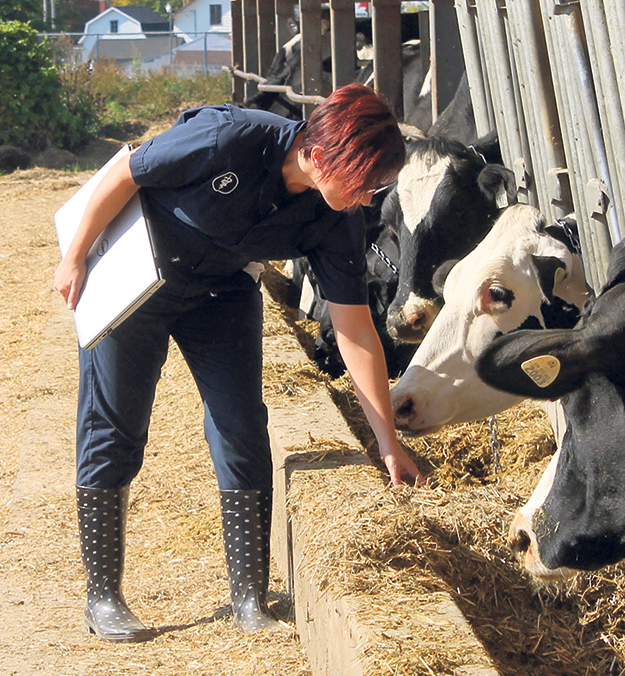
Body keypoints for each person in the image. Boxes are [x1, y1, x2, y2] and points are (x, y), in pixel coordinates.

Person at [53, 83, 424, 642]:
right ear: (321, 155)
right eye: (364, 182)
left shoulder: (335, 216)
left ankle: (250, 597)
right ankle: (103, 596)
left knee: (243, 427)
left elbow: (356, 331)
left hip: (220, 293)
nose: (368, 199)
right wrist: (76, 255)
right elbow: (126, 172)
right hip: (141, 277)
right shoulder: (228, 137)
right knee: (116, 425)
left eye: (377, 187)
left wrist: (388, 442)